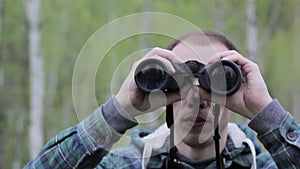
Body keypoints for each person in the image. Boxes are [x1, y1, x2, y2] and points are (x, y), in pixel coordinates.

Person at [24, 30, 300, 169]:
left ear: (236, 87)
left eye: (217, 82)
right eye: (179, 81)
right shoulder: (129, 163)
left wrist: (265, 112)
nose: (198, 99)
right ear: (163, 89)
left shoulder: (264, 163)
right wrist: (120, 110)